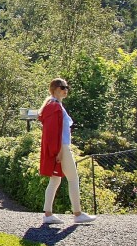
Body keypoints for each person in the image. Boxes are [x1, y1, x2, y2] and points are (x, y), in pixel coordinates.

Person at [38, 77, 96, 225]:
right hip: (61, 147)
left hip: (60, 146)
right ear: (55, 89)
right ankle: (77, 213)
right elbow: (52, 132)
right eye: (63, 87)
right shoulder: (54, 106)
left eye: (66, 87)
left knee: (55, 180)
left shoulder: (55, 105)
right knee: (73, 178)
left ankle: (48, 214)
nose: (66, 90)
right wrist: (58, 151)